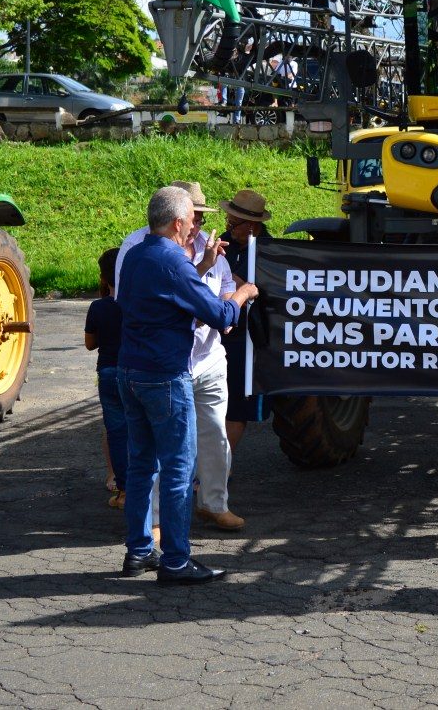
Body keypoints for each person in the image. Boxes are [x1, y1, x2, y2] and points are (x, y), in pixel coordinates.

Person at [116, 186, 255, 584]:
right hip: (165, 375)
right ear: (178, 223)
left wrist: (205, 262)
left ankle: (139, 550)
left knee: (142, 465)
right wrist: (244, 292)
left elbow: (160, 296)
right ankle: (176, 560)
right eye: (194, 220)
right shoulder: (175, 261)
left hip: (131, 371)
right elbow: (220, 312)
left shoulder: (139, 253)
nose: (198, 227)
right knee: (178, 468)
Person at [219, 189, 273, 453]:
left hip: (247, 338)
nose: (227, 229)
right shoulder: (225, 240)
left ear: (251, 226)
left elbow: (235, 286)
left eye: (232, 224)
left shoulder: (266, 251)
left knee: (236, 406)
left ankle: (223, 467)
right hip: (219, 331)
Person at [85, 248, 126, 509]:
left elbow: (90, 344)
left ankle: (123, 491)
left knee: (116, 432)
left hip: (108, 371)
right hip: (135, 370)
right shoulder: (137, 303)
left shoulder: (98, 307)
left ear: (103, 277)